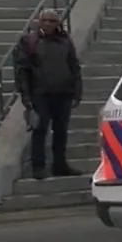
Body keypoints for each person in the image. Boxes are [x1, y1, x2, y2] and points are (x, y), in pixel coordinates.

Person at [14, 9, 83, 179]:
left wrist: (77, 90)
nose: (47, 24)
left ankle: (60, 164)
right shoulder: (30, 41)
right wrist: (26, 98)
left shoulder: (65, 41)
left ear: (57, 23)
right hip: (40, 93)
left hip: (63, 92)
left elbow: (74, 66)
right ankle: (38, 166)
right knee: (40, 129)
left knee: (61, 130)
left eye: (51, 21)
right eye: (44, 20)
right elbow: (23, 71)